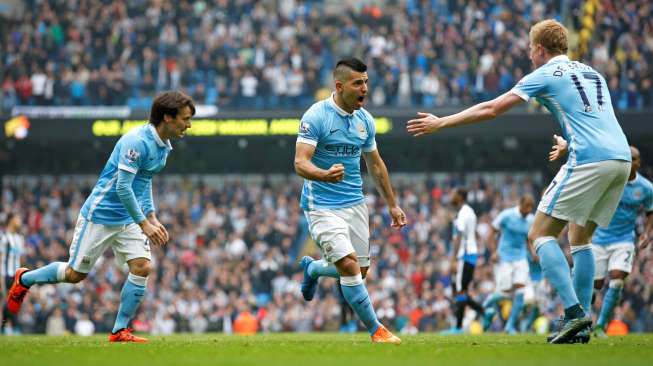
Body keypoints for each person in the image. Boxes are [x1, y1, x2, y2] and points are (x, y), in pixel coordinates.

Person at [407, 19, 631, 343]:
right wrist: (569, 143)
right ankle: (580, 327)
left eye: (530, 49)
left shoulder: (544, 74)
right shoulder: (592, 73)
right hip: (620, 158)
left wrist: (442, 122)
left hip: (591, 159)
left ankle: (574, 313)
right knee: (581, 239)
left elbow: (493, 108)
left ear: (540, 49)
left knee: (539, 235)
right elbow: (598, 121)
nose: (529, 56)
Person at [5, 91, 195, 342]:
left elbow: (144, 180)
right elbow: (123, 188)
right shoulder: (136, 142)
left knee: (142, 266)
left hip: (129, 217)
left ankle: (119, 330)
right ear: (168, 118)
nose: (189, 125)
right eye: (185, 118)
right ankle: (25, 278)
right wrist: (145, 224)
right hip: (101, 215)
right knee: (75, 275)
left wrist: (151, 215)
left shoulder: (164, 146)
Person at [295, 58, 406, 344]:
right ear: (340, 86)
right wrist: (323, 175)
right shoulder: (316, 116)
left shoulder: (365, 120)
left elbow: (376, 165)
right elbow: (300, 163)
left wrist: (392, 204)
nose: (365, 89)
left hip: (355, 203)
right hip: (321, 205)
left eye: (366, 82)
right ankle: (377, 331)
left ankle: (314, 268)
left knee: (361, 271)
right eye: (358, 83)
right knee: (348, 265)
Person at [590, 146, 653, 337]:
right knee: (597, 284)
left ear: (638, 162)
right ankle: (586, 307)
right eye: (627, 158)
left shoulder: (646, 188)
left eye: (634, 158)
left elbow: (650, 212)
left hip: (624, 239)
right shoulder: (609, 182)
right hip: (600, 238)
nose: (630, 162)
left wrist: (646, 234)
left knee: (617, 279)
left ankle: (601, 325)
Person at [482, 195, 535, 334]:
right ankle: (487, 304)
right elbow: (491, 232)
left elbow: (528, 239)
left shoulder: (530, 220)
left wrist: (533, 253)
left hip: (521, 258)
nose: (529, 209)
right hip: (504, 257)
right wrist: (493, 252)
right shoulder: (506, 215)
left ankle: (509, 326)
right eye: (527, 206)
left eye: (531, 207)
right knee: (505, 292)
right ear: (521, 203)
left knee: (520, 291)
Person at [444, 188, 484, 334]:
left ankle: (458, 327)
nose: (451, 196)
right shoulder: (469, 212)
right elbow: (475, 233)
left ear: (460, 196)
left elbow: (459, 236)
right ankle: (485, 311)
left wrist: (454, 259)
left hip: (464, 255)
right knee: (462, 291)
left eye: (453, 194)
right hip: (471, 254)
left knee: (460, 291)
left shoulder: (463, 213)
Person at [1, 212, 25, 334]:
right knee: (7, 302)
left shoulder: (20, 238)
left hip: (17, 276)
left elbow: (20, 259)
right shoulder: (4, 237)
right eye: (18, 218)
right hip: (5, 275)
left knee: (15, 303)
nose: (20, 221)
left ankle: (12, 328)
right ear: (11, 220)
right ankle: (6, 328)